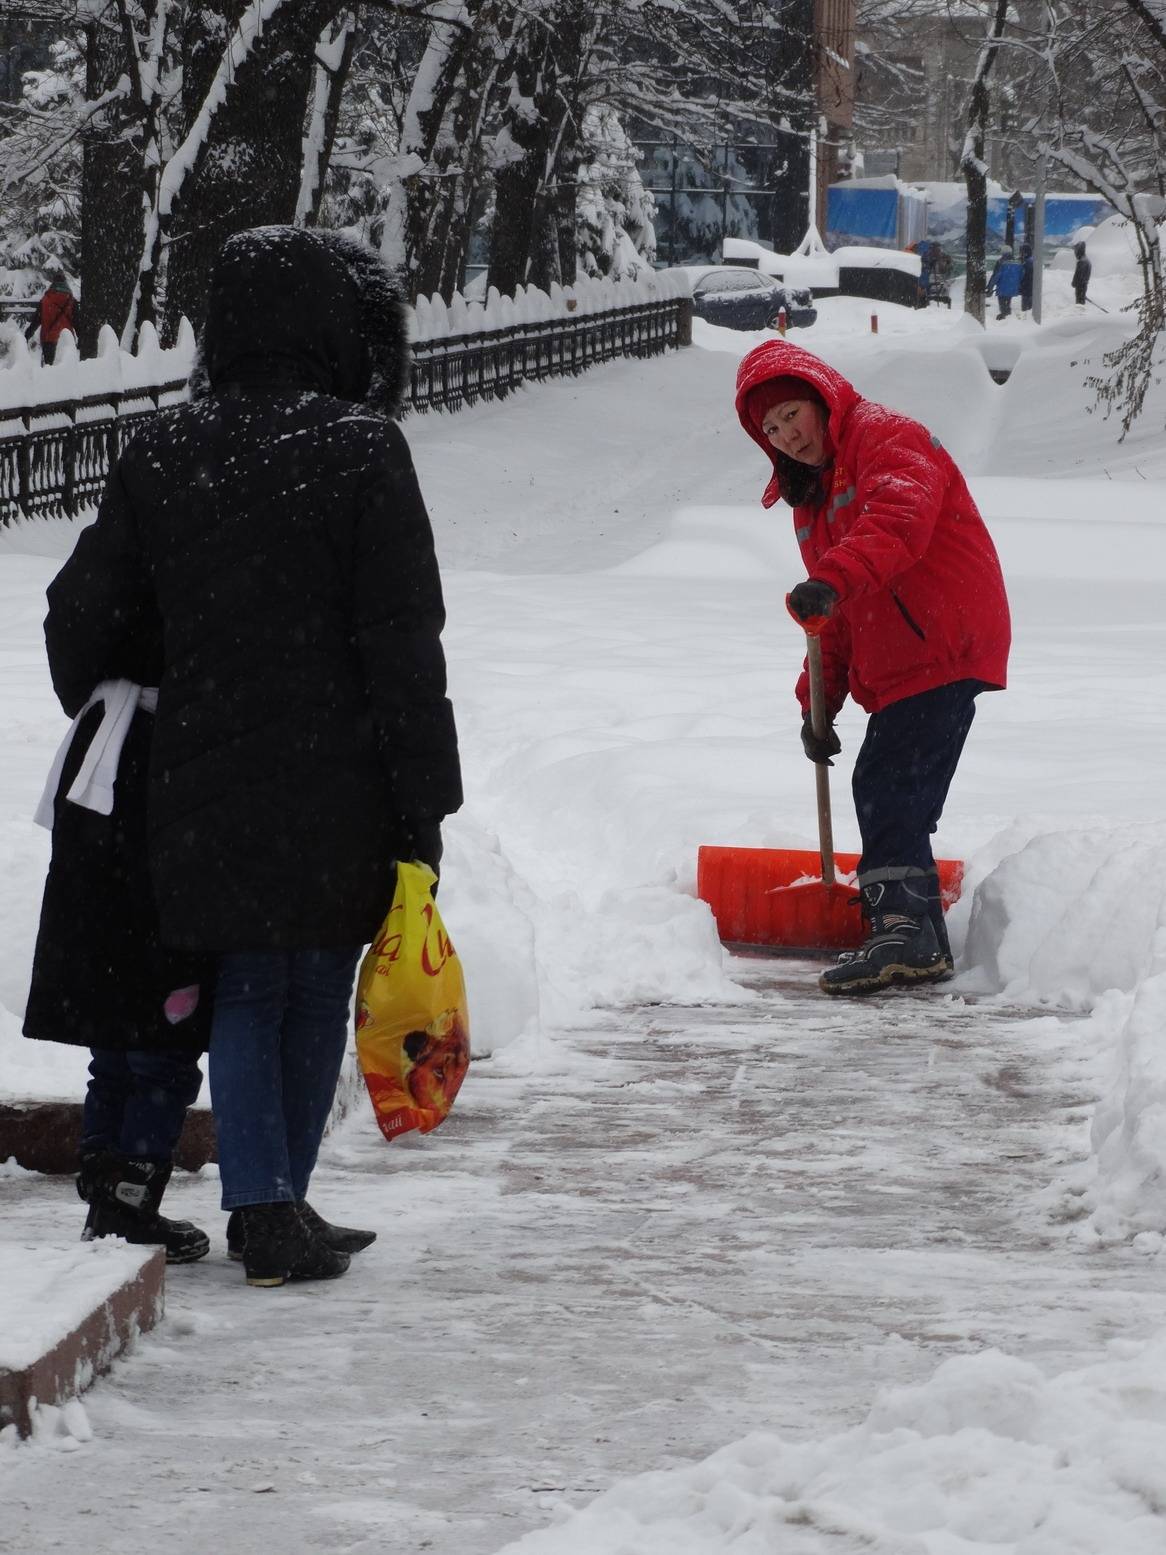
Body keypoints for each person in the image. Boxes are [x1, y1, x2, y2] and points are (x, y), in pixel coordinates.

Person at [40, 225, 463, 1286]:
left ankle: (267, 1201)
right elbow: (401, 639)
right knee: (313, 980)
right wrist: (425, 797)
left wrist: (155, 685)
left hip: (198, 770)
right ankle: (276, 1203)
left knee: (246, 983)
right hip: (342, 769)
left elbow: (80, 616)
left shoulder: (162, 448)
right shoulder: (363, 446)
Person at [735, 340, 1011, 997]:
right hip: (897, 663)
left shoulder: (887, 438)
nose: (786, 435)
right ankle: (911, 931)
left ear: (822, 398)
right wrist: (817, 702)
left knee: (889, 781)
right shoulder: (811, 501)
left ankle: (905, 931)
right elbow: (829, 614)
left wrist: (830, 580)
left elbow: (900, 520)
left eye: (791, 414)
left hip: (942, 640)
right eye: (770, 429)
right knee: (895, 788)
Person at [24, 679, 212, 1264]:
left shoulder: (105, 604)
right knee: (159, 1039)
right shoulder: (175, 602)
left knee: (117, 1034)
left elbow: (71, 649)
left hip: (103, 772)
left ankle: (109, 1195)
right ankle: (127, 1203)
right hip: (163, 775)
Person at [24, 271, 76, 364]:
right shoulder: (71, 301)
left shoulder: (45, 300)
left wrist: (26, 336)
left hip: (48, 340)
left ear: (53, 283)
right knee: (68, 371)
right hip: (67, 342)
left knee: (48, 369)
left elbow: (36, 321)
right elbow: (78, 323)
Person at [985, 247, 1022, 319]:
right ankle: (1008, 317)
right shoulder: (1017, 263)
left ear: (1003, 252)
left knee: (1002, 304)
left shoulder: (1000, 262)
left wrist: (990, 288)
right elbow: (1021, 275)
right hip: (1012, 287)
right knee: (1008, 302)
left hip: (1002, 287)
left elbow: (996, 276)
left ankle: (1004, 318)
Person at [1072, 241, 1092, 306]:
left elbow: (1078, 276)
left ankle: (1080, 316)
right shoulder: (1087, 260)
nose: (1074, 252)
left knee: (1079, 305)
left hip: (1080, 287)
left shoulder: (1082, 262)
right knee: (1081, 303)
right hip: (1084, 286)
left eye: (1075, 250)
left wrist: (1074, 283)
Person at [1019, 243, 1034, 315]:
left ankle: (1026, 323)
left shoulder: (1027, 263)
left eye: (1022, 252)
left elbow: (1023, 276)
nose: (1020, 254)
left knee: (1025, 310)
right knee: (1030, 308)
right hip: (1032, 289)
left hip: (1026, 289)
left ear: (1025, 252)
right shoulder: (1032, 260)